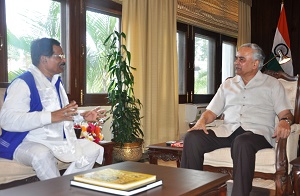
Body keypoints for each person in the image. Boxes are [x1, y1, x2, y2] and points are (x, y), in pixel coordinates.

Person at [180, 43, 293, 196]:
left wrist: (284, 121)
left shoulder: (272, 84)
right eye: (236, 59)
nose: (236, 63)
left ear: (255, 64)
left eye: (241, 59)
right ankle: (192, 191)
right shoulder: (228, 84)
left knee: (242, 142)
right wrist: (202, 121)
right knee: (192, 138)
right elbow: (211, 112)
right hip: (228, 131)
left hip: (257, 134)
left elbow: (285, 113)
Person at [0, 38, 105, 180]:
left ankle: (62, 188)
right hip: (24, 142)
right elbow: (7, 120)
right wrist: (50, 116)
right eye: (59, 56)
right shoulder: (22, 83)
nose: (64, 60)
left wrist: (83, 116)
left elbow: (61, 115)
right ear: (44, 59)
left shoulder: (56, 83)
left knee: (93, 149)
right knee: (42, 154)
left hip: (53, 140)